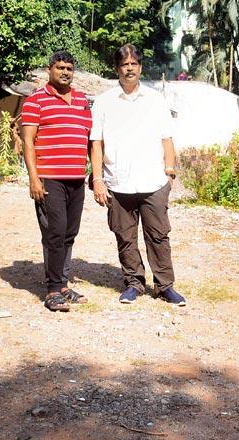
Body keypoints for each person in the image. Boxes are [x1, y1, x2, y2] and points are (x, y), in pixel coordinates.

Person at [90, 45, 186, 307]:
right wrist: (98, 179)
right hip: (118, 183)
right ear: (117, 69)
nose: (129, 68)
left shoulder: (155, 100)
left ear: (140, 67)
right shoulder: (104, 102)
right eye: (124, 64)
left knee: (158, 235)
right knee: (125, 236)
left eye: (134, 63)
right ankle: (134, 283)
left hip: (152, 182)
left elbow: (166, 137)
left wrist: (169, 171)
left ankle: (165, 286)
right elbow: (96, 143)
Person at [20, 51, 93, 312]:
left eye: (69, 68)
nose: (65, 72)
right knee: (55, 231)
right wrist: (34, 178)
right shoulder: (36, 100)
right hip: (50, 179)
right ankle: (52, 289)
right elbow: (28, 141)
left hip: (76, 178)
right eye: (60, 67)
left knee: (69, 233)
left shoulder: (83, 101)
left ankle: (63, 285)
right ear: (49, 69)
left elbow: (89, 139)